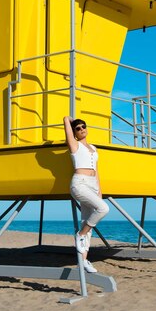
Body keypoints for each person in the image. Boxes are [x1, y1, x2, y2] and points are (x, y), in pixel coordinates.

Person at [63, 116, 109, 273]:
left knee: (86, 222)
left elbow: (97, 171)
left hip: (92, 185)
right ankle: (80, 235)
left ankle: (83, 261)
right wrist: (70, 119)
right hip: (80, 183)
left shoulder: (94, 148)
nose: (82, 129)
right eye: (78, 128)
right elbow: (65, 121)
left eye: (83, 126)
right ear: (74, 133)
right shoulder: (74, 145)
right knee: (104, 209)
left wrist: (99, 190)